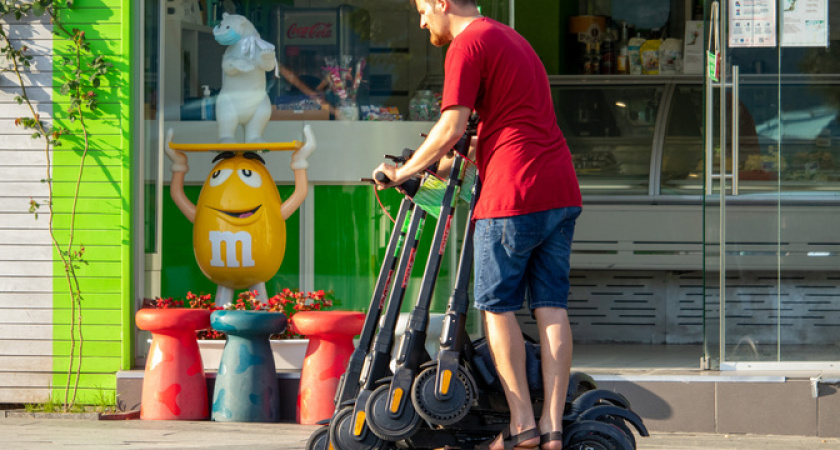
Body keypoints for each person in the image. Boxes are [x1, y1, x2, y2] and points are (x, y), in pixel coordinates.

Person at [372, 1, 582, 449]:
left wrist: (403, 171)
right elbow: (479, 136)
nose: (421, 20)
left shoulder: (466, 45)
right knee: (550, 305)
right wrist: (431, 168)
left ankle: (522, 424)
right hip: (559, 189)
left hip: (512, 192)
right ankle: (552, 428)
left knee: (496, 305)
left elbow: (451, 126)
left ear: (441, 2)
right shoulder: (510, 39)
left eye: (422, 10)